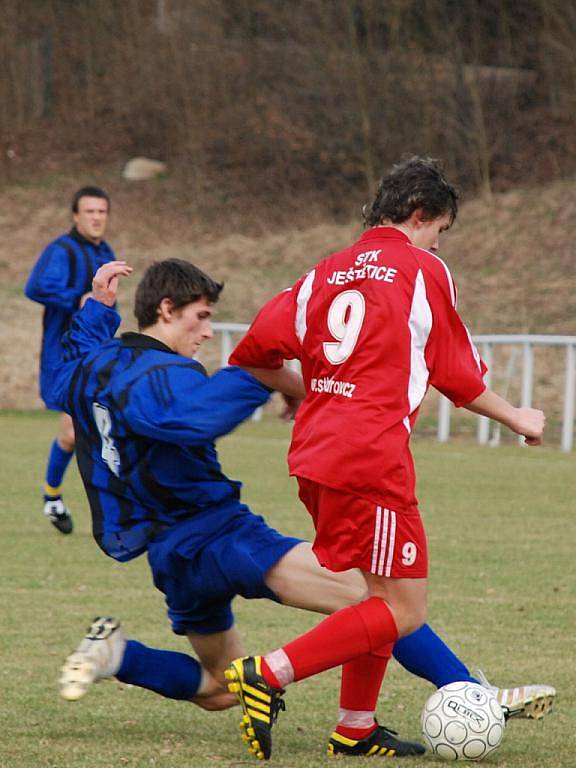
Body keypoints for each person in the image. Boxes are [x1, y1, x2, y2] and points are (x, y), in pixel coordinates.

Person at [55, 259, 553, 760]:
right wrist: (256, 376)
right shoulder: (165, 375)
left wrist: (97, 308)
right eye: (201, 317)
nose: (207, 332)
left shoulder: (92, 369)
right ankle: (471, 691)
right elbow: (190, 418)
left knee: (221, 689)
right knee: (376, 602)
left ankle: (117, 653)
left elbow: (66, 368)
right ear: (167, 309)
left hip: (170, 557)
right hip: (223, 538)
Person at [225, 156, 547, 760]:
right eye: (441, 230)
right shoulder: (422, 269)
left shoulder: (323, 273)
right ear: (422, 215)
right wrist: (516, 416)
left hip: (315, 454)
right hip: (369, 456)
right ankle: (268, 673)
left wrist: (314, 389)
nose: (438, 242)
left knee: (375, 594)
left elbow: (254, 354)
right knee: (402, 609)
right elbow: (456, 375)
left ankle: (356, 727)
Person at [25, 186, 115, 534]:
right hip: (64, 357)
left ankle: (58, 496)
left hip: (96, 355)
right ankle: (53, 497)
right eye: (89, 211)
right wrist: (77, 298)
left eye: (102, 212)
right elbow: (36, 287)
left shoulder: (105, 251)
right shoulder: (62, 251)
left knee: (87, 431)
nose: (96, 217)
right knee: (73, 430)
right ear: (76, 216)